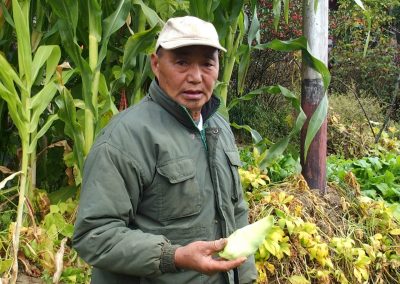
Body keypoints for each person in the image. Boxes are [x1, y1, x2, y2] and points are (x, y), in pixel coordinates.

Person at [72, 15, 258, 284]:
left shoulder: (219, 127)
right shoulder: (124, 138)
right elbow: (95, 235)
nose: (195, 77)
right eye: (181, 62)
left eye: (207, 63)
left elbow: (236, 211)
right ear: (156, 65)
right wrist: (174, 256)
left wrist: (246, 276)